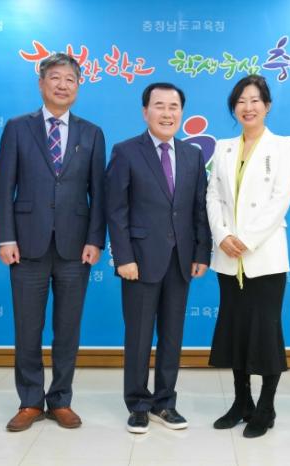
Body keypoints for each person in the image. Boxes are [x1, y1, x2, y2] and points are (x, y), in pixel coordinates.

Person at [0, 53, 106, 432]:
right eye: (55, 77)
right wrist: (6, 237)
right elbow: (5, 187)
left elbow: (99, 193)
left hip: (76, 247)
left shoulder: (92, 133)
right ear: (41, 83)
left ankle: (60, 400)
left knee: (68, 328)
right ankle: (30, 400)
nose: (62, 85)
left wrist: (96, 239)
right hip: (26, 244)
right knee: (27, 328)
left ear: (78, 86)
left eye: (70, 79)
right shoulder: (17, 128)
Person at [105, 82, 211, 434]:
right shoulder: (126, 151)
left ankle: (165, 402)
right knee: (138, 336)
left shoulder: (193, 154)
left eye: (174, 107)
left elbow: (199, 208)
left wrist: (201, 251)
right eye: (159, 106)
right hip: (138, 261)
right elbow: (116, 209)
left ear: (182, 112)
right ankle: (138, 404)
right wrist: (123, 256)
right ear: (145, 111)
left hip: (181, 260)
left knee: (171, 335)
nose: (167, 113)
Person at [206, 74, 290, 439]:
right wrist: (222, 235)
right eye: (241, 101)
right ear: (234, 108)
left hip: (264, 255)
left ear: (267, 105)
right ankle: (241, 402)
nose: (248, 107)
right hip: (228, 256)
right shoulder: (223, 147)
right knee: (236, 331)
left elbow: (280, 199)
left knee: (265, 332)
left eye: (255, 100)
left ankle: (266, 406)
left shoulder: (284, 145)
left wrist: (245, 239)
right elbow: (213, 195)